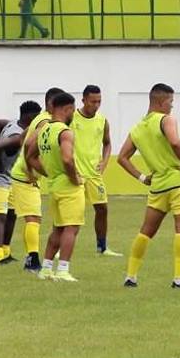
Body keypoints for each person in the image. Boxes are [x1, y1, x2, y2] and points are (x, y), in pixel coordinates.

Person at [117, 83, 180, 289]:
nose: (172, 106)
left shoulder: (137, 129)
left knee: (146, 231)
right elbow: (175, 142)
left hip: (158, 186)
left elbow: (122, 158)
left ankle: (131, 276)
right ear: (161, 102)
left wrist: (142, 178)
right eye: (171, 101)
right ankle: (179, 279)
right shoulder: (166, 119)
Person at [27, 91, 82, 282]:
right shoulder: (65, 132)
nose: (73, 114)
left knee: (58, 228)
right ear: (67, 109)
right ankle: (63, 270)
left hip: (54, 185)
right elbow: (67, 159)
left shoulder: (44, 130)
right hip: (68, 186)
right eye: (73, 110)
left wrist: (48, 172)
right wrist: (74, 178)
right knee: (71, 228)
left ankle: (46, 269)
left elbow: (30, 156)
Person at [8, 87, 63, 272]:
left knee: (33, 218)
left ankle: (31, 258)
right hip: (25, 177)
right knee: (33, 218)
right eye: (62, 106)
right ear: (51, 104)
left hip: (25, 175)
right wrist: (29, 168)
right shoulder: (45, 122)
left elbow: (23, 138)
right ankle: (32, 259)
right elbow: (29, 144)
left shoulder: (40, 119)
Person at [0, 100, 41, 264]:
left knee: (12, 213)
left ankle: (6, 251)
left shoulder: (14, 123)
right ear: (30, 117)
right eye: (36, 117)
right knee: (0, 216)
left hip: (10, 176)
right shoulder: (16, 136)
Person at [71, 85, 121, 257]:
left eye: (99, 101)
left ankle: (102, 247)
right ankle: (60, 248)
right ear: (83, 100)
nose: (96, 105)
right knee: (72, 212)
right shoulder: (72, 118)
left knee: (102, 209)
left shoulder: (102, 121)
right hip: (75, 173)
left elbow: (107, 143)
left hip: (94, 174)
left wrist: (104, 162)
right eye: (93, 101)